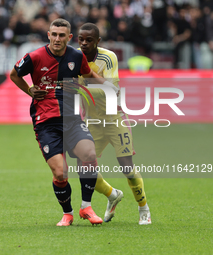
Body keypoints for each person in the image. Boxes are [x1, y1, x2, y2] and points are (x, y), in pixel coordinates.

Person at [10, 18, 119, 226]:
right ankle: (67, 213)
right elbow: (14, 75)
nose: (57, 39)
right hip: (46, 122)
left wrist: (109, 87)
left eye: (62, 35)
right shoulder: (34, 57)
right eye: (54, 34)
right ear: (48, 35)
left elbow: (89, 74)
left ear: (69, 38)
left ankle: (86, 207)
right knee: (60, 173)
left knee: (89, 153)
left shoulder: (76, 57)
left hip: (72, 119)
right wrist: (29, 90)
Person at [77, 23, 151, 225]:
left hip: (114, 118)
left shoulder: (108, 58)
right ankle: (112, 195)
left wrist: (78, 88)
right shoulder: (73, 57)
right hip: (92, 121)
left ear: (98, 41)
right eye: (81, 39)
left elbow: (112, 90)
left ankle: (143, 208)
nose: (84, 43)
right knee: (83, 168)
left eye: (89, 40)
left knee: (126, 166)